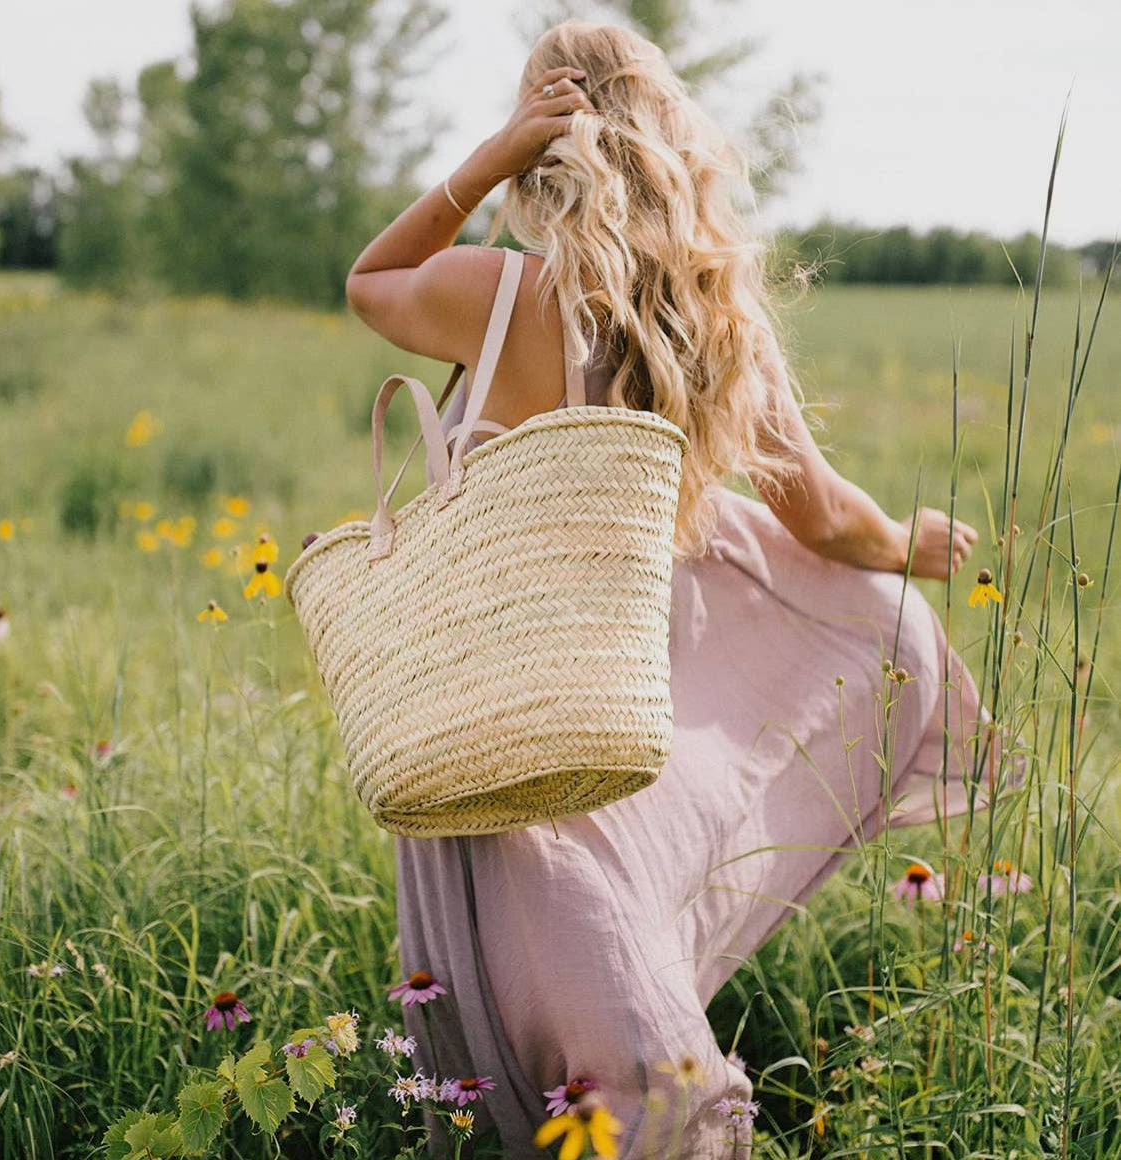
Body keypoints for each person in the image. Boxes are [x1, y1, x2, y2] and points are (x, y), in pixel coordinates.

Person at [345, 19, 1001, 1160]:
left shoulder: (495, 296)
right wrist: (908, 543)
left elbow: (369, 280)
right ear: (667, 135)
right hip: (621, 694)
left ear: (545, 151)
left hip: (491, 684)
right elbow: (826, 518)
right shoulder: (713, 322)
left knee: (552, 953)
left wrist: (485, 158)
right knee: (606, 925)